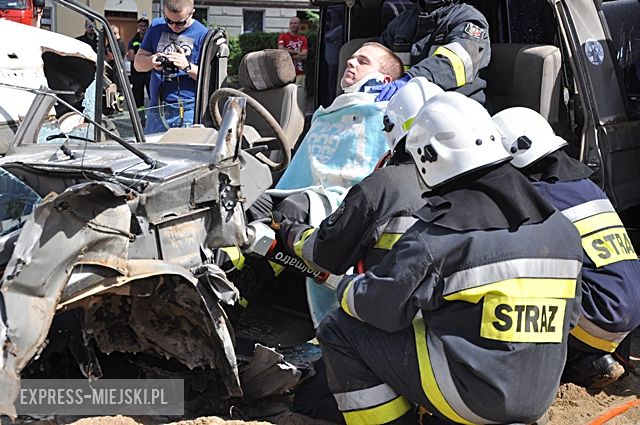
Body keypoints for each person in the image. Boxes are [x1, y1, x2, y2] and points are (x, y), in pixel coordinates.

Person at [315, 92, 583, 424]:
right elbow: (570, 319)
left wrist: (346, 289)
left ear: (429, 158)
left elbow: (378, 309)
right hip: (536, 397)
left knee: (340, 329)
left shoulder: (439, 235)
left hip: (472, 398)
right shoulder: (561, 228)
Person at [493, 107, 640, 389]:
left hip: (599, 317)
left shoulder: (539, 199)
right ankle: (600, 353)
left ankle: (578, 364)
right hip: (630, 310)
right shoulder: (586, 186)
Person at [273, 42, 403, 191]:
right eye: (352, 58)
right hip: (300, 194)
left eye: (363, 61)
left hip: (339, 200)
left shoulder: (386, 116)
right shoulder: (327, 114)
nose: (350, 62)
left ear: (385, 81)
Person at [374, 0, 491, 103]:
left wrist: (410, 78)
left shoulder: (468, 18)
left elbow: (458, 61)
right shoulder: (402, 22)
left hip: (458, 108)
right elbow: (377, 58)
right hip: (409, 107)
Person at [134, 0, 208, 133]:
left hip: (188, 111)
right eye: (168, 20)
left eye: (180, 23)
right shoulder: (156, 26)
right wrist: (152, 60)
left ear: (192, 13)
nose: (173, 26)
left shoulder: (203, 35)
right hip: (157, 109)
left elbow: (211, 80)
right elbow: (138, 64)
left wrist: (186, 66)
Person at [278, 16, 308, 87]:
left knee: (299, 95)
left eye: (295, 23)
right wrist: (297, 52)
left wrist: (289, 55)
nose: (293, 25)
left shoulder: (303, 39)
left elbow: (304, 55)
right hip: (286, 72)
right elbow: (281, 49)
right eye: (291, 23)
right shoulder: (283, 37)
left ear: (299, 25)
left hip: (300, 72)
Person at [128, 18, 151, 109]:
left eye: (145, 26)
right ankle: (139, 115)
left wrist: (140, 58)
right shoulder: (133, 40)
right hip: (137, 73)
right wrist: (146, 59)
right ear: (138, 27)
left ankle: (155, 112)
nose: (143, 28)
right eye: (141, 26)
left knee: (152, 93)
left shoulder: (150, 39)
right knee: (137, 94)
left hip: (149, 72)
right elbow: (131, 56)